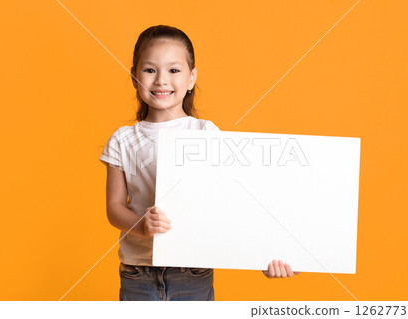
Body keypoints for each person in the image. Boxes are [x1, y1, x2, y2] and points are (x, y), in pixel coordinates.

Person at [99, 25, 300, 301]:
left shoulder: (205, 133)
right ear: (134, 77)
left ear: (191, 77)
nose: (161, 80)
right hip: (137, 272)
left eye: (174, 70)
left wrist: (265, 254)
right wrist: (141, 226)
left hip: (192, 272)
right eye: (149, 70)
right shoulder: (123, 139)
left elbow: (231, 202)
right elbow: (114, 208)